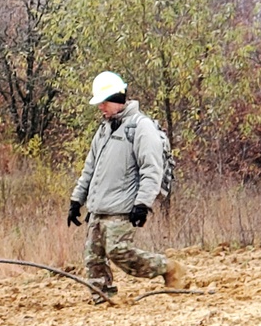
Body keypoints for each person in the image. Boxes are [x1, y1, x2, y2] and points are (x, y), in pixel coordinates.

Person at [67, 71, 189, 304]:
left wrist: (142, 204)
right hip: (98, 207)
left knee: (119, 252)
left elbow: (151, 169)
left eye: (104, 102)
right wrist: (76, 200)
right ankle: (103, 299)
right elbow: (89, 169)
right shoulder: (103, 130)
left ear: (117, 99)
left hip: (122, 208)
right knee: (93, 259)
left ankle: (168, 268)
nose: (100, 107)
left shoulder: (141, 128)